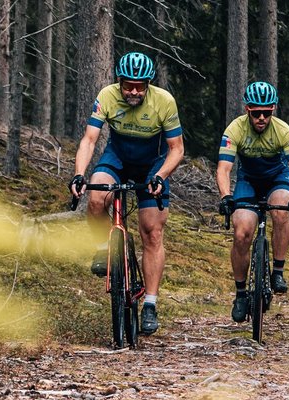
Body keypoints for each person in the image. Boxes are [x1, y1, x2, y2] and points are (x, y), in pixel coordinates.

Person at [69, 52, 184, 336]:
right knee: (96, 197)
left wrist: (161, 176)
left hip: (153, 164)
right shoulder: (107, 96)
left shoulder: (164, 101)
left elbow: (177, 149)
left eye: (139, 86)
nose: (133, 91)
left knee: (152, 232)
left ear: (148, 84)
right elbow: (89, 140)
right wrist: (79, 174)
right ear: (119, 82)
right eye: (128, 85)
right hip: (118, 157)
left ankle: (150, 305)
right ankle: (103, 247)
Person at [215, 81, 289, 323]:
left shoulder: (284, 131)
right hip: (248, 181)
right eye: (256, 113)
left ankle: (278, 271)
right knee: (242, 233)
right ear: (248, 110)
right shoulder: (235, 129)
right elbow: (224, 169)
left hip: (278, 179)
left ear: (273, 109)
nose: (262, 118)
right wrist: (225, 196)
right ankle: (240, 294)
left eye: (267, 112)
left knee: (281, 210)